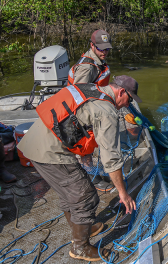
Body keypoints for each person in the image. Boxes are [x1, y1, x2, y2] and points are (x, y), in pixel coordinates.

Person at [17, 75, 140, 262]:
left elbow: (73, 117)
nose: (127, 104)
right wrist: (123, 193)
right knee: (85, 196)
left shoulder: (91, 87)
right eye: (129, 99)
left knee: (70, 192)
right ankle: (80, 247)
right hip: (49, 152)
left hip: (34, 141)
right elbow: (111, 160)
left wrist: (85, 151)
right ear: (121, 92)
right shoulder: (107, 111)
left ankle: (82, 228)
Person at [68, 29, 113, 191]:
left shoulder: (98, 62)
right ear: (92, 46)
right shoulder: (87, 68)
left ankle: (94, 171)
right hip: (83, 114)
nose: (104, 52)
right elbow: (78, 95)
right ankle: (91, 178)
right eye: (101, 48)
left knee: (94, 143)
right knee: (85, 147)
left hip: (95, 109)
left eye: (107, 48)